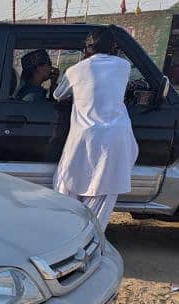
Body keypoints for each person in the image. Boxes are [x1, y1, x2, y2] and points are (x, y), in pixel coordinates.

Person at [52, 27, 138, 230]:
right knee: (104, 188)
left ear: (87, 48)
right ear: (113, 47)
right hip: (115, 136)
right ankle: (91, 236)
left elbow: (58, 94)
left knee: (67, 183)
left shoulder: (75, 70)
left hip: (84, 137)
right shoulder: (123, 66)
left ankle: (66, 230)